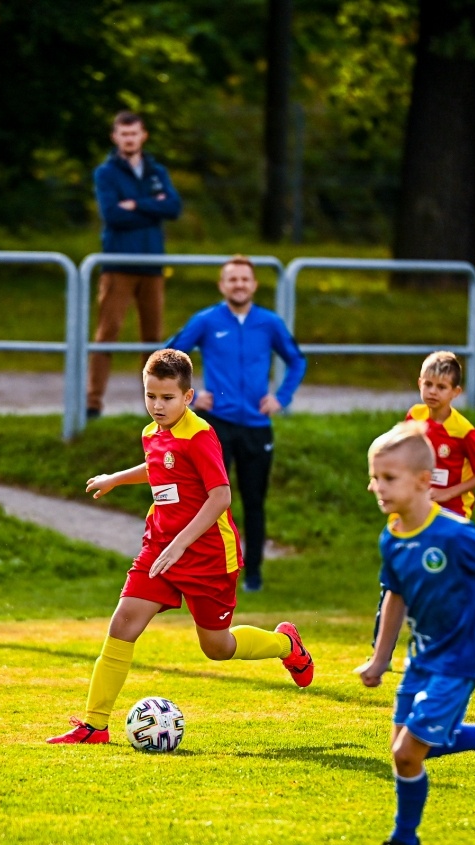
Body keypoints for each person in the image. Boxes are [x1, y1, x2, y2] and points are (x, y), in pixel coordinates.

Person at [47, 349, 315, 745]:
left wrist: (180, 544)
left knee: (217, 647)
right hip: (160, 547)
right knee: (123, 624)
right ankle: (94, 725)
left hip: (207, 556)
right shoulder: (150, 433)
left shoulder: (200, 435)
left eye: (167, 397)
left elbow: (221, 497)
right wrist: (115, 479)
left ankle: (285, 644)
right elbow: (160, 466)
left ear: (188, 397)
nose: (157, 405)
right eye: (150, 395)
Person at [355, 422, 475, 845]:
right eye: (375, 477)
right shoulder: (393, 535)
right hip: (421, 657)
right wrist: (380, 659)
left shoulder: (454, 534)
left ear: (424, 481)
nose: (377, 486)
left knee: (407, 752)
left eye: (389, 478)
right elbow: (395, 596)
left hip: (460, 657)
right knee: (411, 747)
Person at [166, 256, 306, 592]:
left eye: (245, 279)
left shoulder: (269, 322)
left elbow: (296, 360)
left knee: (254, 501)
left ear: (254, 285)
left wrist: (281, 398)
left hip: (257, 426)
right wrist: (192, 395)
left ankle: (253, 573)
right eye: (232, 279)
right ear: (222, 285)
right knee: (211, 499)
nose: (239, 284)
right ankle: (206, 570)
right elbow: (170, 355)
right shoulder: (206, 320)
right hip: (217, 426)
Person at [86, 111, 182, 419]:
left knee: (154, 339)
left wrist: (137, 204)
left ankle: (155, 408)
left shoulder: (156, 171)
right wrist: (153, 207)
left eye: (134, 133)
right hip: (118, 264)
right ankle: (92, 401)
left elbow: (174, 207)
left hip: (152, 264)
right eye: (124, 134)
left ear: (143, 136)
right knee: (107, 332)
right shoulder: (106, 173)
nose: (129, 139)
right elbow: (113, 215)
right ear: (116, 137)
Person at [405, 351, 475, 518]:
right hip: (418, 505)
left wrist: (448, 492)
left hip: (453, 512)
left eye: (441, 387)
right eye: (428, 384)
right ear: (419, 384)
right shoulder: (414, 415)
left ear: (455, 392)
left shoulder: (463, 431)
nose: (433, 391)